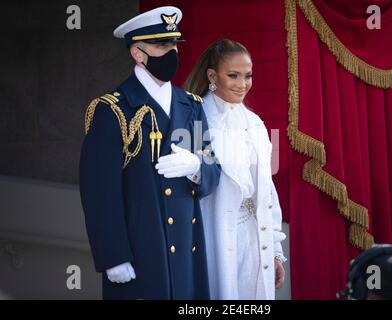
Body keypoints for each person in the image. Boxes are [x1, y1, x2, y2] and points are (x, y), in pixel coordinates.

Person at [79, 6, 221, 300]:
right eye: (161, 45)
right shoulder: (113, 110)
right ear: (137, 53)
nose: (171, 52)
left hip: (187, 253)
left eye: (173, 44)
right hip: (141, 253)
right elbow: (99, 193)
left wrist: (196, 166)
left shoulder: (191, 105)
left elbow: (212, 173)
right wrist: (113, 255)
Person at [184, 39, 287, 300]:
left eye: (248, 76)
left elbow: (267, 191)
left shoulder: (255, 123)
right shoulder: (194, 121)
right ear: (212, 76)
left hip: (255, 240)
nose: (243, 84)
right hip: (214, 235)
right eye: (233, 75)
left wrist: (274, 250)